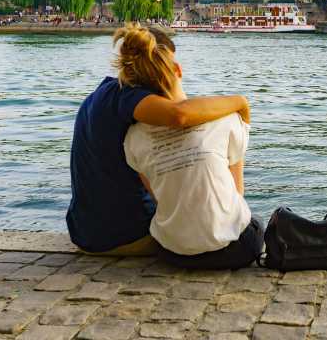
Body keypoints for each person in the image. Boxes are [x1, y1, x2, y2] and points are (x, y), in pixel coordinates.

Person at [66, 23, 250, 256]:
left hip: (85, 233)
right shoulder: (127, 97)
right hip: (126, 236)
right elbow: (179, 114)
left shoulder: (104, 94)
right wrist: (240, 103)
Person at [124, 55, 262, 269]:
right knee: (255, 222)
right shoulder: (225, 120)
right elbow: (237, 192)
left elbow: (159, 198)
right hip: (233, 250)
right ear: (178, 69)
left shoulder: (132, 138)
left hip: (172, 252)